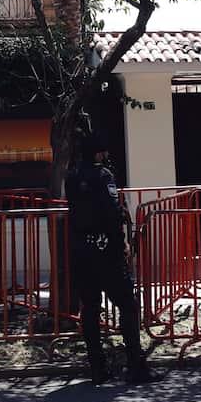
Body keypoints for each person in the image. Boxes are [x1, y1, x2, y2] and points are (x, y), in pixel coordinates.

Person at [65, 126, 154, 385]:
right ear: (98, 152)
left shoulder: (71, 177)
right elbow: (112, 212)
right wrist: (122, 244)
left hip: (81, 249)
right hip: (106, 250)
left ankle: (97, 368)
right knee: (127, 303)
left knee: (90, 308)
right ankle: (135, 366)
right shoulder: (104, 176)